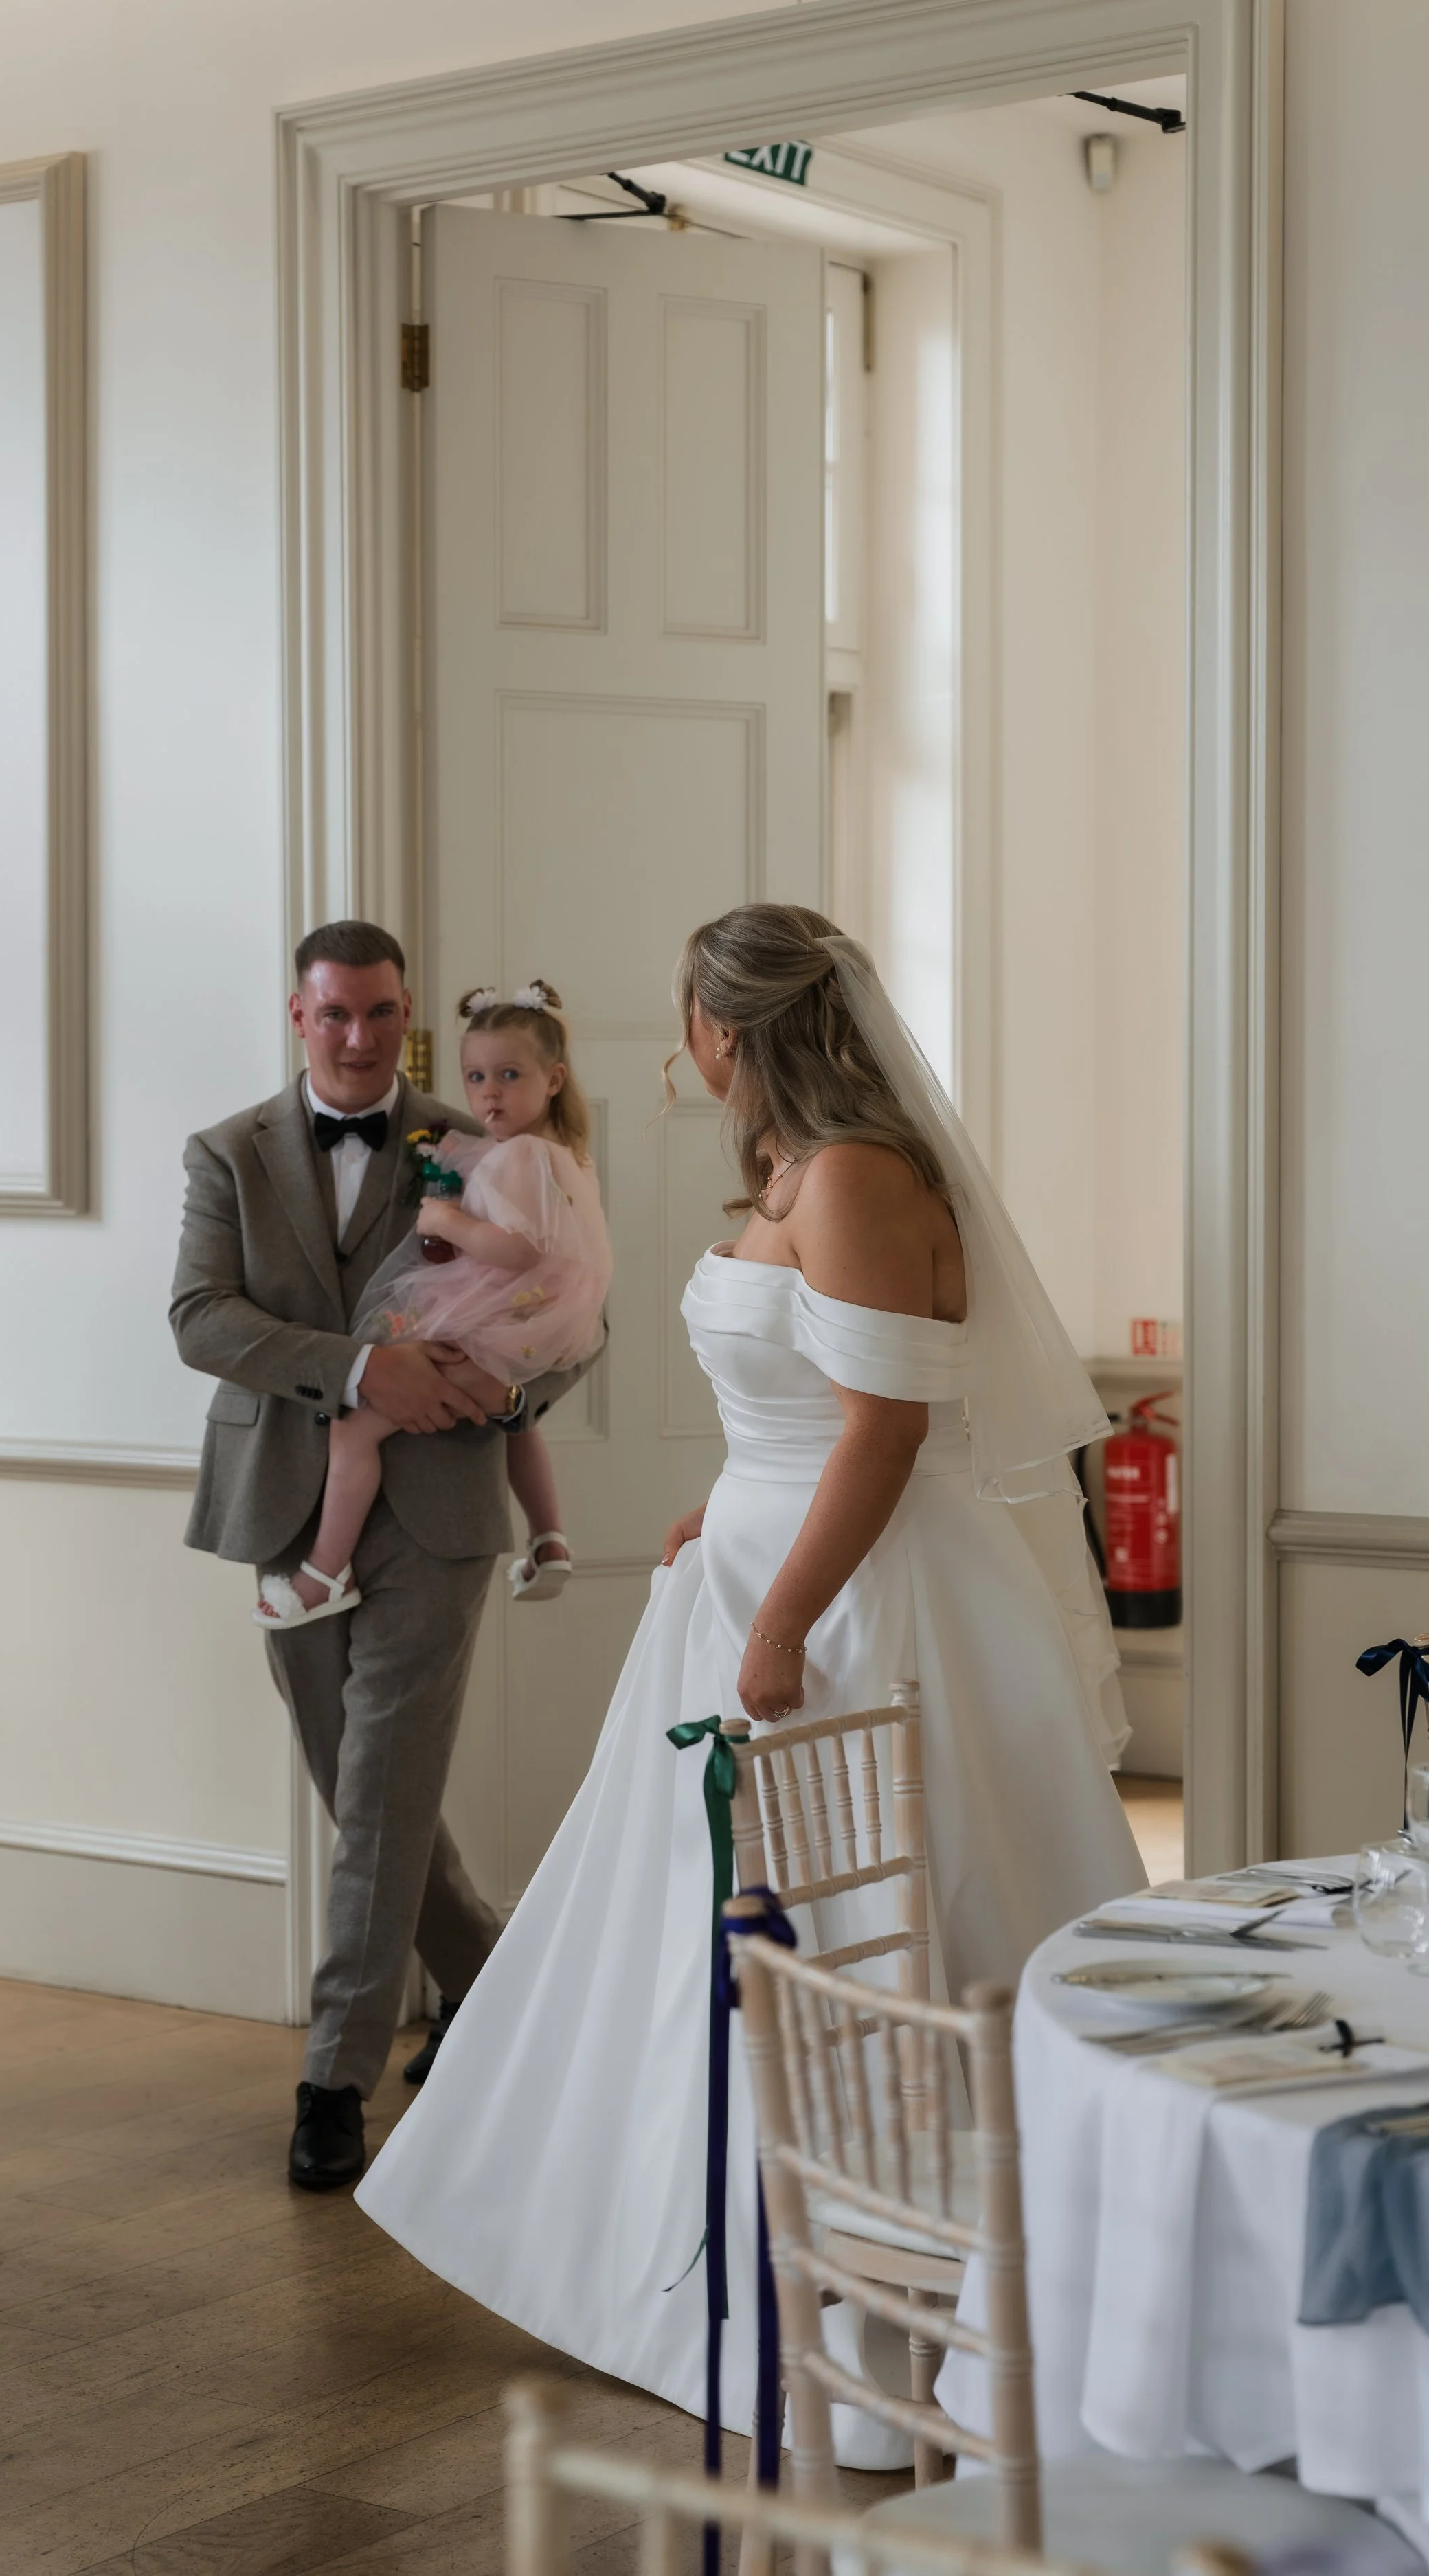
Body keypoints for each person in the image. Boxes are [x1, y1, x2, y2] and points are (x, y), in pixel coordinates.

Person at [357, 903, 1145, 2456]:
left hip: (857, 1601)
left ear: (730, 1027)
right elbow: (797, 1410)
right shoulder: (791, 1172)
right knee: (713, 1928)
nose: (680, 1048)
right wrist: (724, 1506)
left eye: (688, 1020)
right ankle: (739, 2283)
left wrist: (781, 1613)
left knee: (864, 1931)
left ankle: (904, 2315)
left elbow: (886, 1430)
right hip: (752, 1560)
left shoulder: (853, 1175)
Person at [170, 921, 603, 2191]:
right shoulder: (227, 1154)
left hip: (443, 1512)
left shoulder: (483, 1134)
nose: (359, 1039)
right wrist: (366, 1369)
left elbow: (578, 1309)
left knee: (381, 1790)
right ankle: (492, 1985)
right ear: (297, 1016)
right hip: (285, 1510)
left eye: (379, 1016)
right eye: (334, 1016)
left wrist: (494, 1392)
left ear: (404, 1013)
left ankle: (333, 2079)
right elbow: (202, 1316)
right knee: (364, 1795)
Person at [254, 980, 611, 1632]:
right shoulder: (566, 1156)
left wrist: (448, 1223)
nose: (490, 1094)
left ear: (554, 1078)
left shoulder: (521, 1156)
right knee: (517, 1423)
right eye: (477, 1077)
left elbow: (519, 1251)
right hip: (528, 1325)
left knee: (353, 1428)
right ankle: (549, 1536)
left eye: (509, 1075)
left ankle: (325, 1571)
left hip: (495, 1314)